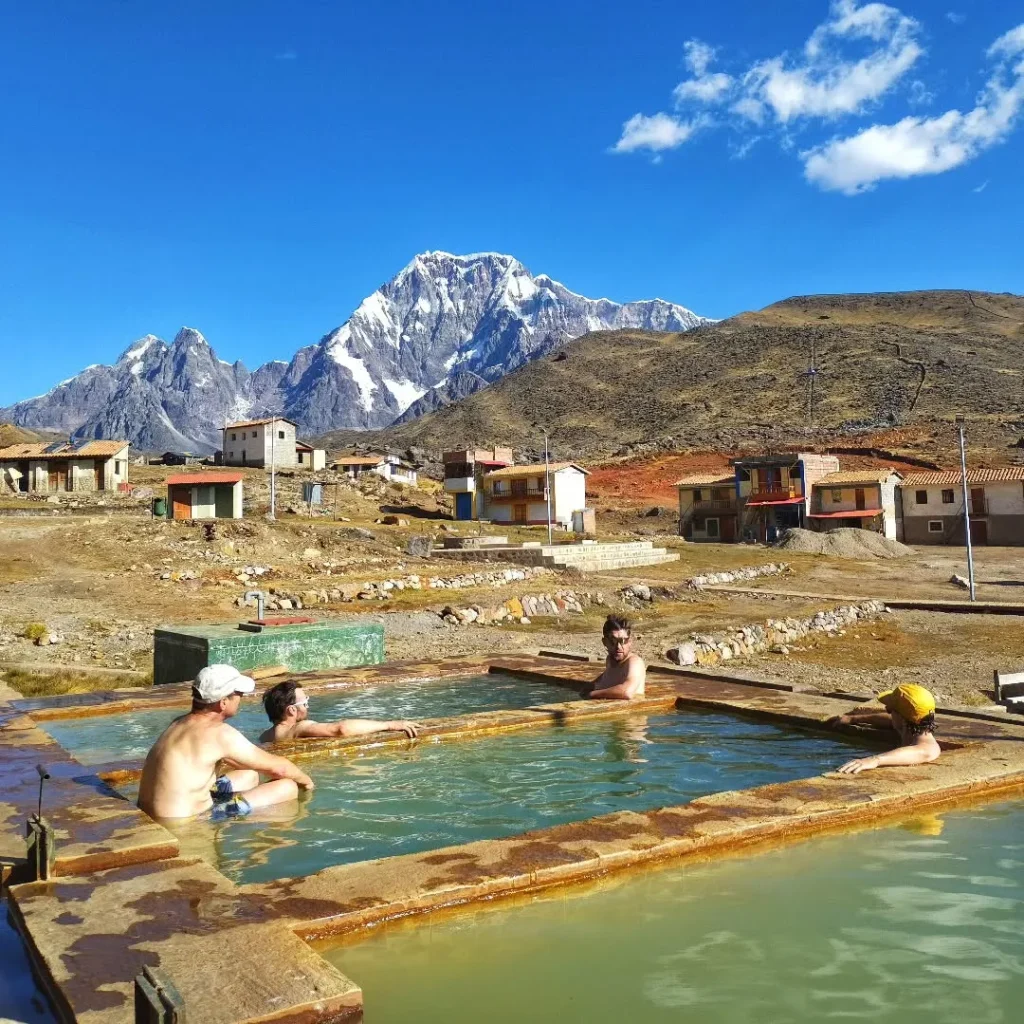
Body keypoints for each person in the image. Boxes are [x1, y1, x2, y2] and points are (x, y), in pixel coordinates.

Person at [137, 664, 314, 820]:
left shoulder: (178, 722)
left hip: (153, 813)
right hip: (187, 821)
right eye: (238, 694)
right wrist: (307, 783)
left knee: (249, 775)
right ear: (223, 702)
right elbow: (279, 768)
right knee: (288, 786)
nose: (241, 697)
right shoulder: (219, 734)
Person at [259, 680, 421, 744]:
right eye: (305, 702)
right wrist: (389, 725)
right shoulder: (298, 728)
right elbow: (341, 729)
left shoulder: (265, 737)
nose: (308, 705)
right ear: (292, 710)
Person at [829, 683, 941, 774]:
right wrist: (853, 719)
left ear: (901, 719)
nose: (889, 714)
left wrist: (874, 760)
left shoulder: (929, 748)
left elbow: (922, 752)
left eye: (889, 710)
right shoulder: (910, 728)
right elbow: (888, 720)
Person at [587, 615, 646, 700]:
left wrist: (592, 694)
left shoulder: (634, 663)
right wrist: (590, 686)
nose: (618, 646)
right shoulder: (610, 660)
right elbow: (607, 676)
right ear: (604, 642)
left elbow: (627, 692)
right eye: (613, 641)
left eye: (622, 641)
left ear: (630, 642)